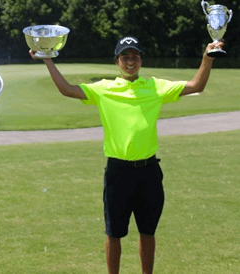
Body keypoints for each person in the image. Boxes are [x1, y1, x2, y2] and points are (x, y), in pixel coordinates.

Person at [29, 36, 223, 274]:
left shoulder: (156, 86)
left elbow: (196, 86)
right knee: (114, 232)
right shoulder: (104, 89)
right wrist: (47, 60)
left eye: (135, 56)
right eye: (125, 56)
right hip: (118, 172)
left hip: (149, 172)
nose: (130, 61)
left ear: (141, 60)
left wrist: (207, 57)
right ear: (117, 61)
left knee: (148, 231)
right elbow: (67, 90)